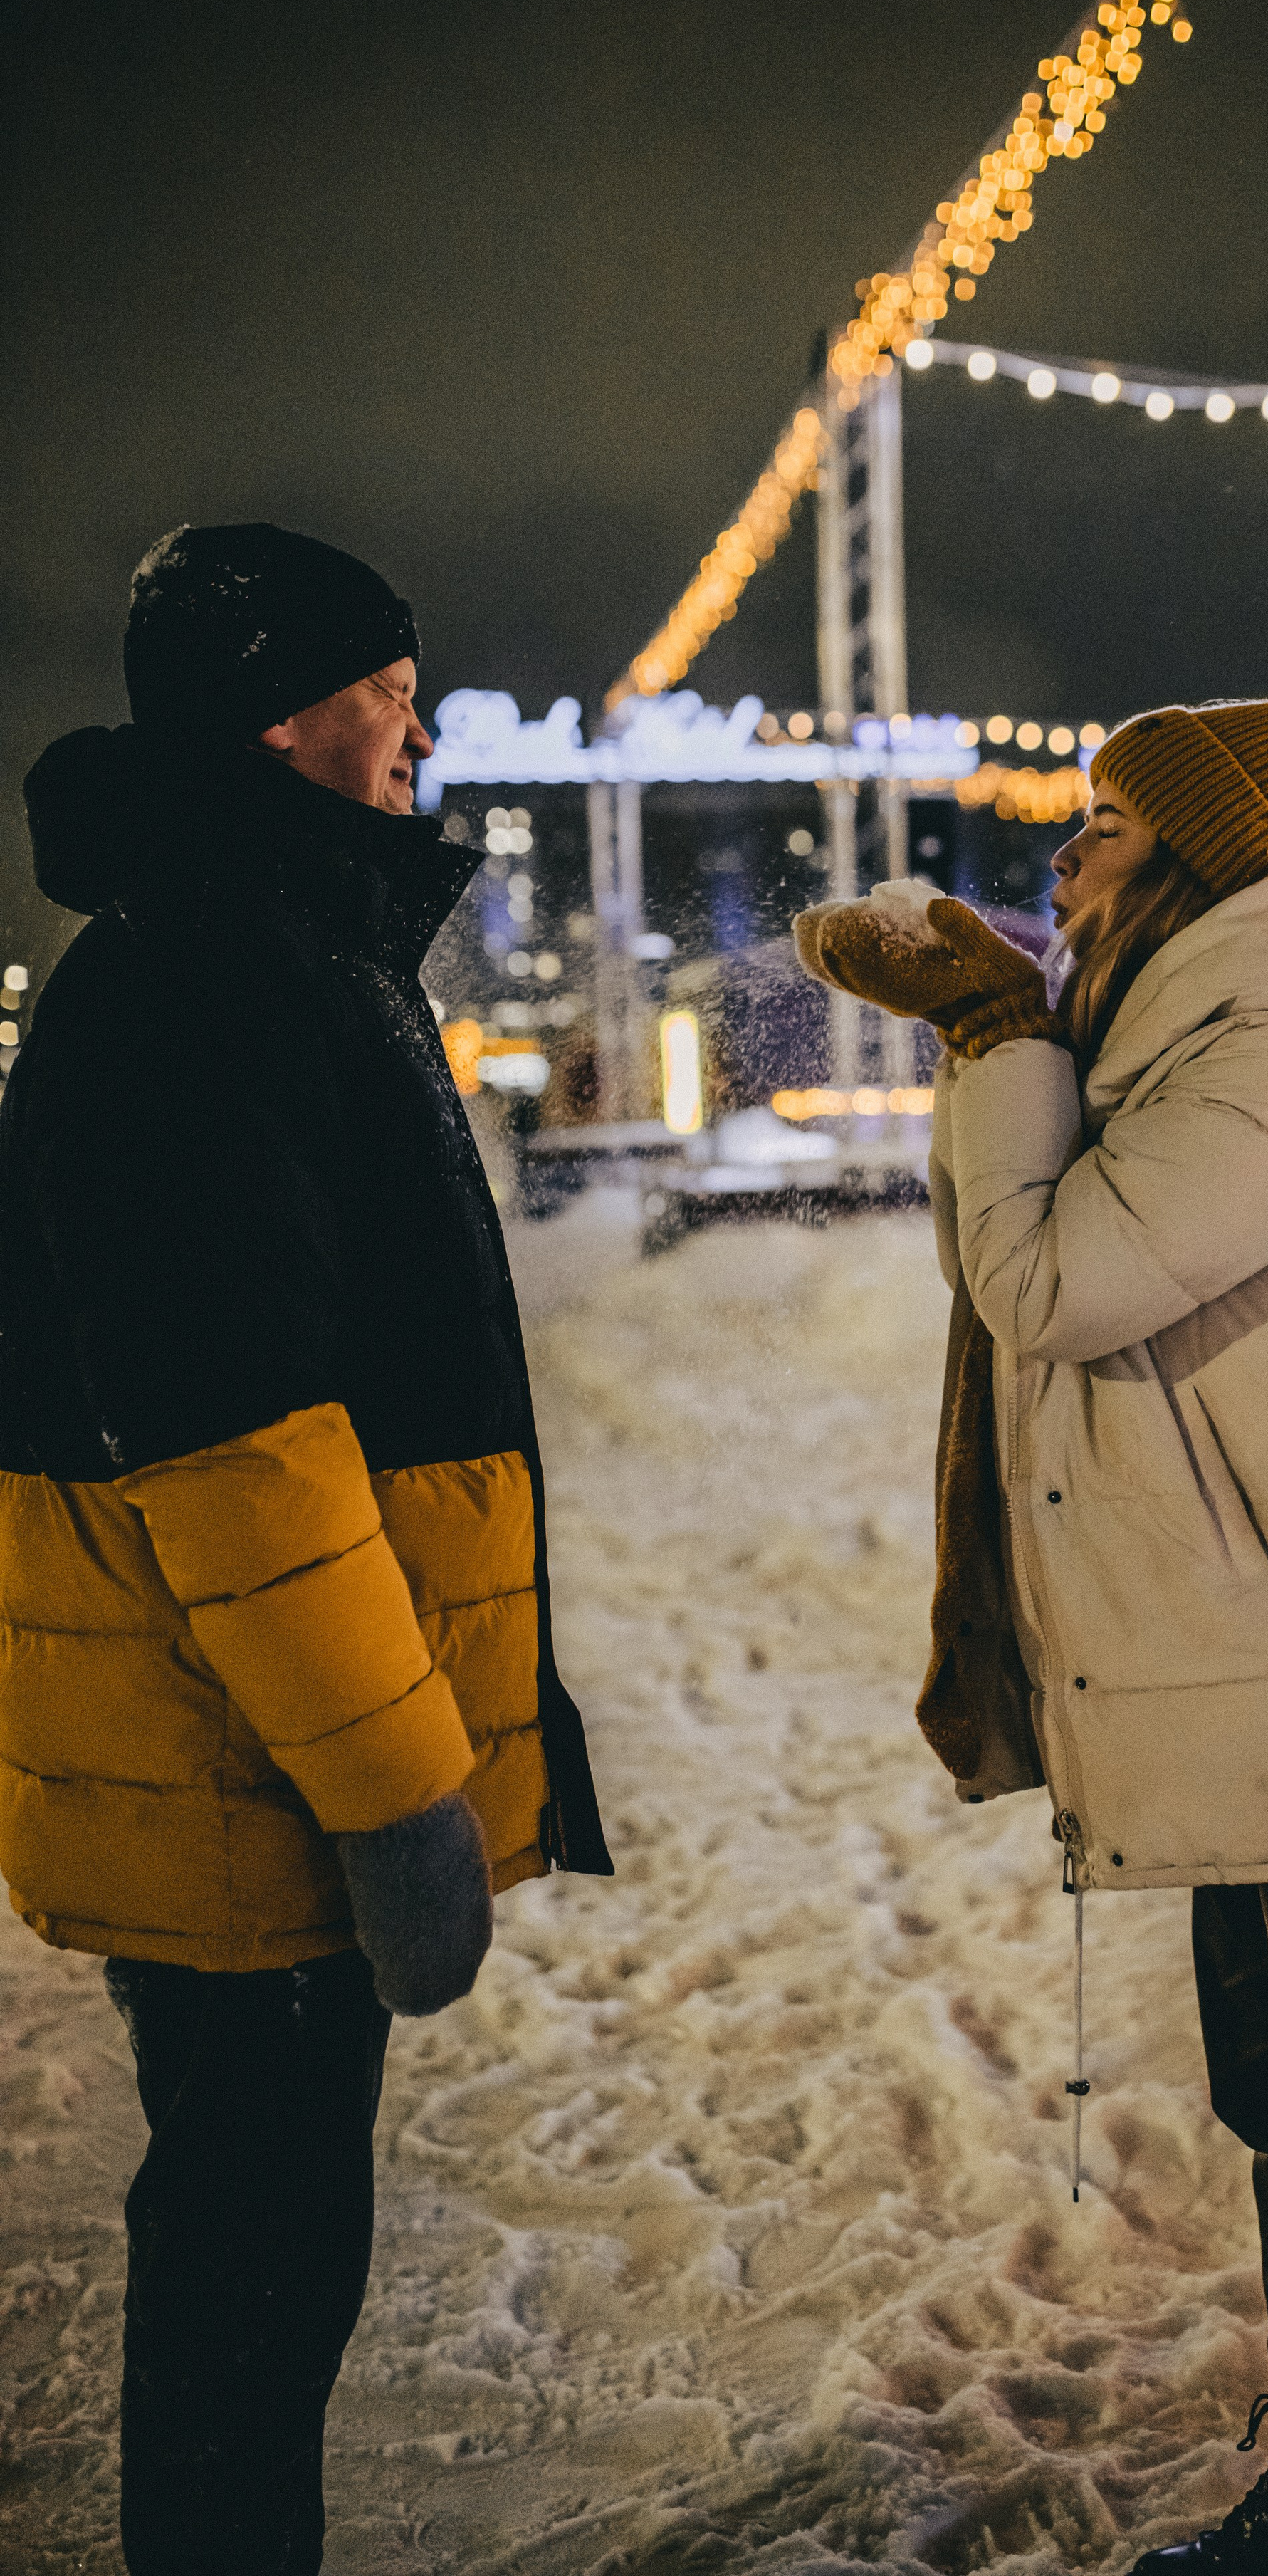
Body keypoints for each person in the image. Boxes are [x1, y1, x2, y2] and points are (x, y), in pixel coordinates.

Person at [795, 694, 1268, 2576]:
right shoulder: (1183, 1046)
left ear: (1204, 858)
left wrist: (994, 1031)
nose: (1069, 857)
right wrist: (1031, 1041)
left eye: (1112, 828)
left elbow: (1053, 1277)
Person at [0, 523, 613, 2575]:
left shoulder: (261, 944)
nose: (421, 725)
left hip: (237, 1738)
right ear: (284, 712)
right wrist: (394, 1791)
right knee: (250, 2288)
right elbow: (237, 1446)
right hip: (245, 1759)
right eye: (391, 687)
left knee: (262, 2266)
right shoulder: (210, 972)